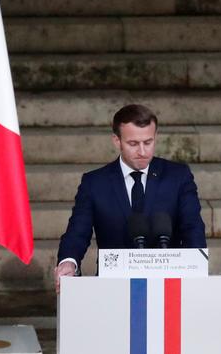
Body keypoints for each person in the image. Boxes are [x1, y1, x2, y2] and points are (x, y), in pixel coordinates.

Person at [54, 104, 207, 291]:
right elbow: (77, 231)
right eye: (133, 144)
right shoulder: (94, 183)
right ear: (117, 141)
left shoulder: (178, 176)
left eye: (148, 142)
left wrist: (197, 271)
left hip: (170, 289)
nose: (142, 151)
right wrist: (68, 262)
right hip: (112, 288)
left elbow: (193, 228)